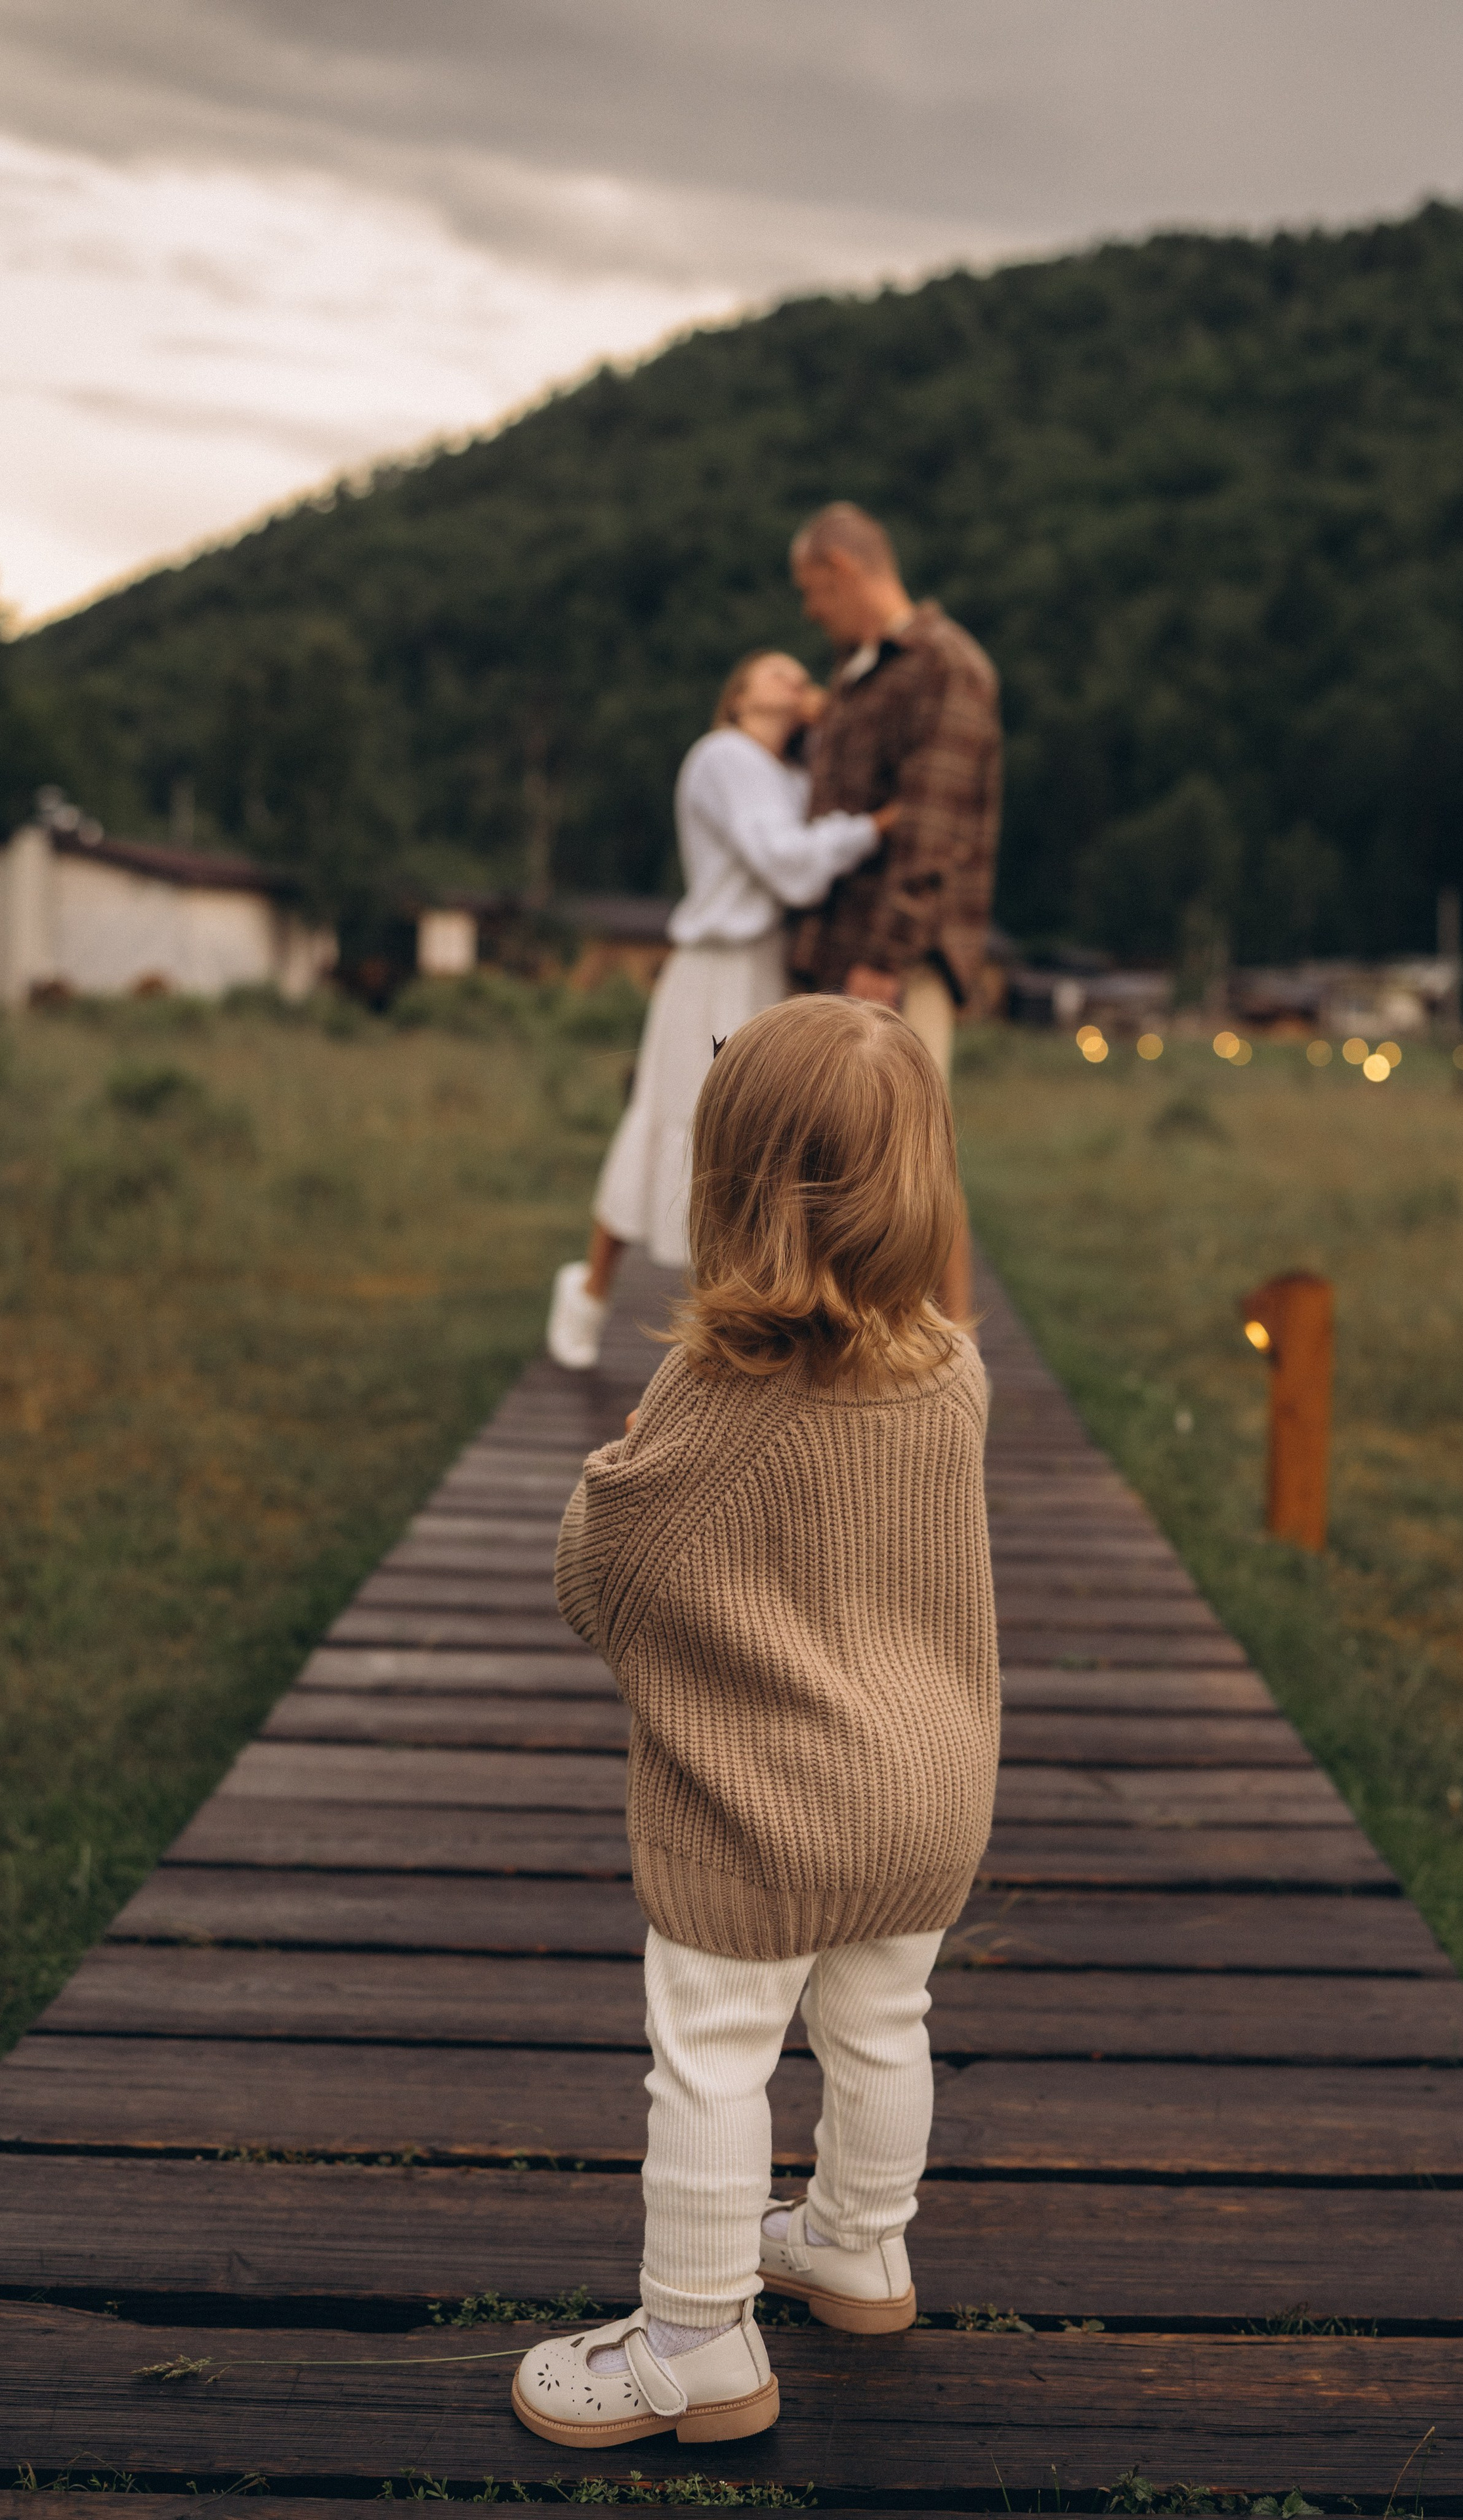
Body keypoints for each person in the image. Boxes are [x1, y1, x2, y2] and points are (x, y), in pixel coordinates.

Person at [511, 994, 1000, 2449]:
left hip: (765, 1810)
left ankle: (694, 2343)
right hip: (925, 1792)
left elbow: (598, 1575)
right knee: (880, 2022)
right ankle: (856, 2243)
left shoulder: (721, 1391)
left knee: (715, 2058)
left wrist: (614, 1472)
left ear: (726, 1190)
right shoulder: (954, 1368)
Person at [545, 651, 891, 1371]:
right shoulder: (722, 756)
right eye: (773, 672)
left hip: (767, 969)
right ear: (737, 695)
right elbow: (790, 866)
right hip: (711, 967)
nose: (793, 681)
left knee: (754, 1141)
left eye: (801, 675)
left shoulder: (791, 777)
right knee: (680, 1123)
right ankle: (593, 1293)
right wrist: (871, 829)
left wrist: (831, 726)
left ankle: (724, 1326)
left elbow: (819, 809)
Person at [787, 503, 1002, 1326]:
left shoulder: (946, 666)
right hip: (839, 953)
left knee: (911, 1157)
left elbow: (933, 831)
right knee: (846, 1158)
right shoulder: (860, 673)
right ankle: (855, 1347)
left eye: (813, 591)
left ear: (841, 569)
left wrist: (884, 957)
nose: (810, 611)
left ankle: (954, 1357)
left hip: (897, 960)